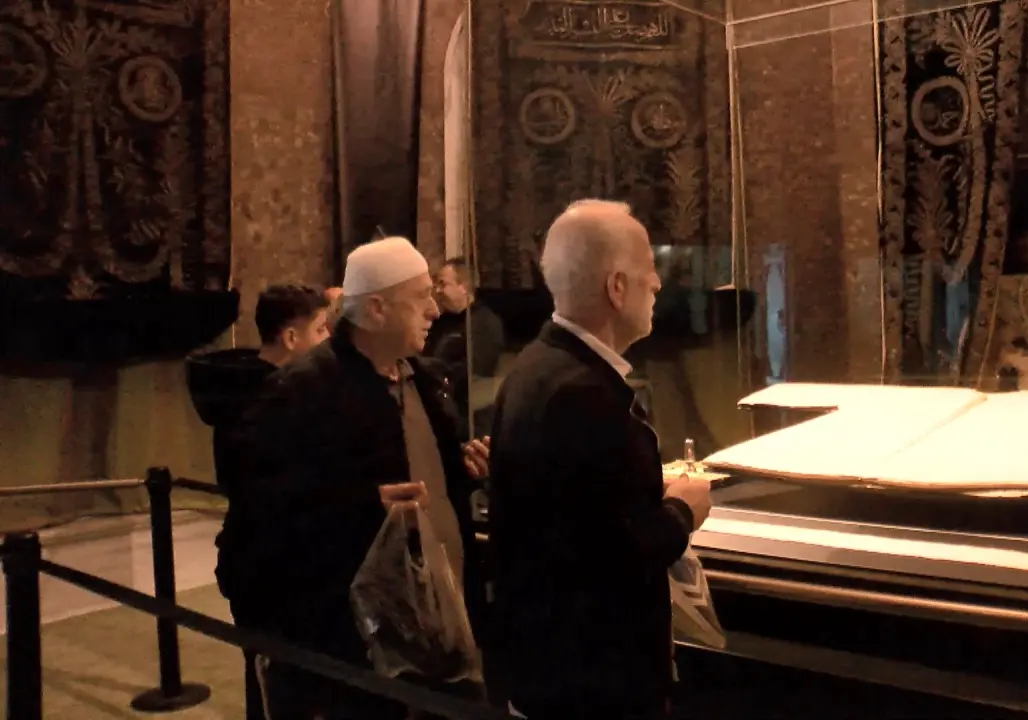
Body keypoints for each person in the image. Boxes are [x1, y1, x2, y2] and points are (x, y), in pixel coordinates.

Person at [234, 237, 491, 719]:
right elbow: (261, 522)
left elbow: (425, 477)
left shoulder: (423, 379)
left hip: (443, 628)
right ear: (375, 309)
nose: (434, 310)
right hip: (356, 650)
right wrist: (359, 504)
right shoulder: (299, 394)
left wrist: (461, 471)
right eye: (421, 297)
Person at [486, 199, 713, 719]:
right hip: (592, 683)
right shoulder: (581, 392)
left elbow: (576, 516)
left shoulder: (536, 366)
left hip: (545, 668)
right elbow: (617, 552)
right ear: (617, 287)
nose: (657, 284)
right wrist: (684, 510)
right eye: (649, 271)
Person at [185, 283, 331, 720]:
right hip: (275, 565)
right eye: (321, 329)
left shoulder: (254, 394)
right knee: (287, 689)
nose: (327, 340)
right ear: (291, 337)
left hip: (258, 558)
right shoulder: (270, 402)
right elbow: (277, 491)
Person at [422, 257, 505, 438]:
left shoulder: (484, 323)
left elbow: (476, 369)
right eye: (436, 285)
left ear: (464, 287)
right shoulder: (440, 322)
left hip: (469, 416)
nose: (438, 290)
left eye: (443, 284)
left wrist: (435, 373)